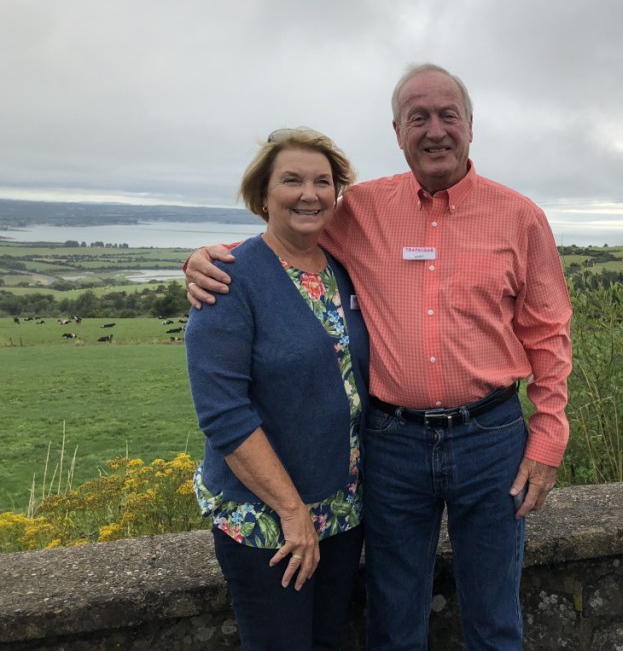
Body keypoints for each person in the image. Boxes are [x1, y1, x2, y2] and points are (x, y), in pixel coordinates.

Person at [186, 64, 573, 650]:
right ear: (397, 130)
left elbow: (549, 334)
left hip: (492, 437)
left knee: (495, 621)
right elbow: (285, 232)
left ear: (471, 126)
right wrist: (203, 261)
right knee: (394, 623)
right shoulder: (359, 210)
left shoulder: (520, 217)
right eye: (418, 117)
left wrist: (548, 438)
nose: (435, 129)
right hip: (392, 444)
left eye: (448, 115)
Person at [185, 127, 370, 651]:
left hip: (341, 512)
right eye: (291, 180)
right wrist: (292, 513)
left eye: (322, 181)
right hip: (267, 525)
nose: (309, 193)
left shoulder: (341, 271)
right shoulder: (229, 279)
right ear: (262, 195)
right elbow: (224, 416)